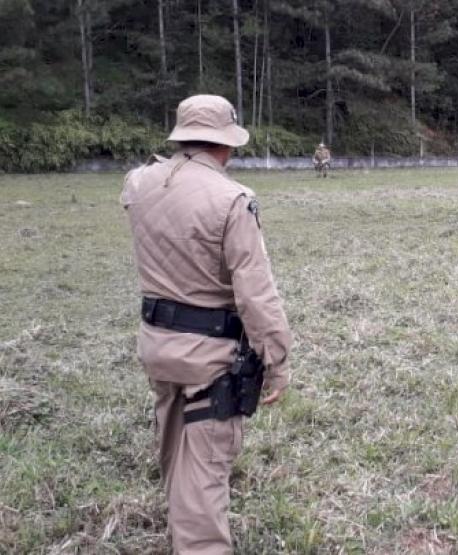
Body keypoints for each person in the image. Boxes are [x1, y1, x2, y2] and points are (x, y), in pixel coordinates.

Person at [121, 94, 292, 554]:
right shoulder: (233, 199)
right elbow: (256, 293)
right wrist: (276, 359)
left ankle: (181, 535)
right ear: (225, 145)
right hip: (209, 359)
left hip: (157, 346)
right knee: (203, 478)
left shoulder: (138, 183)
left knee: (174, 451)